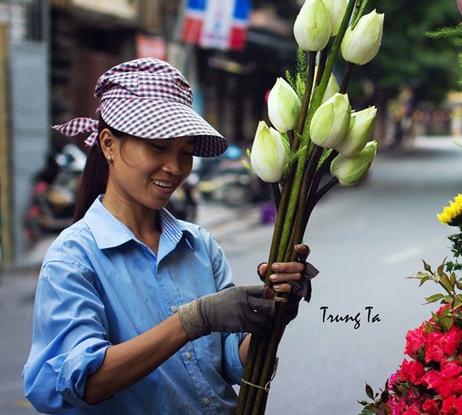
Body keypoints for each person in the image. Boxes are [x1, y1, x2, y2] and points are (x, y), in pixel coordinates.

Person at [23, 58, 317, 414]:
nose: (175, 168)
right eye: (158, 147)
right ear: (109, 144)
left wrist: (275, 311)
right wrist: (193, 320)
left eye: (185, 152)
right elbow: (84, 382)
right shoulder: (74, 257)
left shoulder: (200, 245)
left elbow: (233, 364)